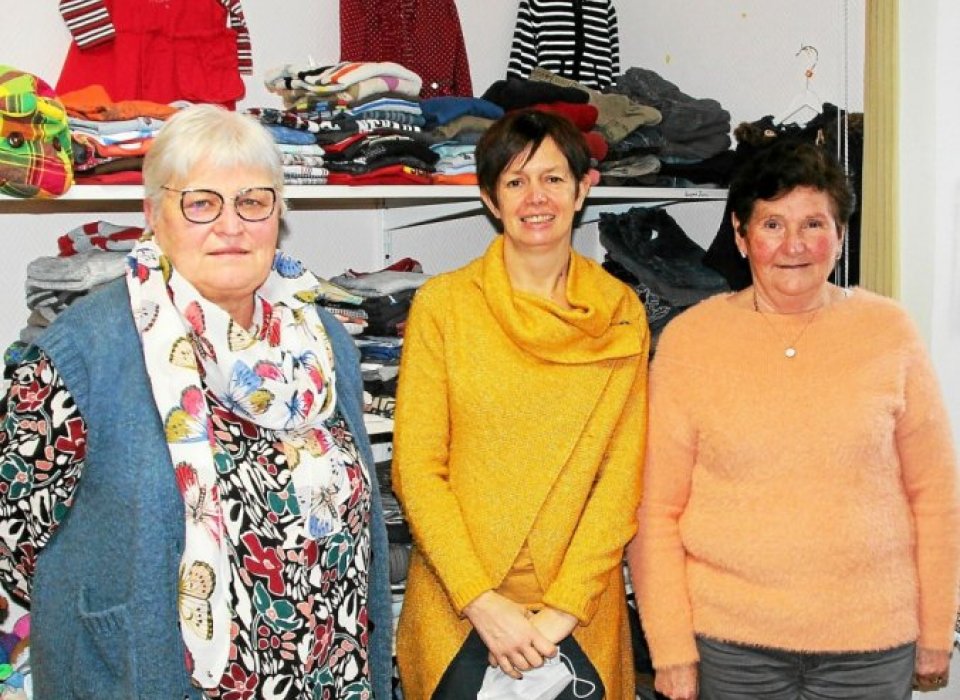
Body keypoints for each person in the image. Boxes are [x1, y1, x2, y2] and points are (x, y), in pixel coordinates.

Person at [0, 104, 393, 699]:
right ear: (154, 215)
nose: (230, 225)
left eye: (253, 201)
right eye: (201, 202)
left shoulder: (324, 341)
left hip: (329, 677)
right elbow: (13, 538)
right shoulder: (80, 352)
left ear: (278, 213)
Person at [628, 139, 960, 700]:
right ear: (740, 234)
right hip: (731, 648)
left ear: (841, 235)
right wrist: (671, 649)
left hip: (871, 647)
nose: (794, 246)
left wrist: (936, 630)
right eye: (773, 225)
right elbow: (657, 510)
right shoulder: (691, 342)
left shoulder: (888, 331)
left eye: (813, 224)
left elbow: (935, 495)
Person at [391, 109, 650, 699]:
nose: (536, 197)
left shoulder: (619, 311)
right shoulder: (445, 306)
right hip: (463, 608)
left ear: (584, 189)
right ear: (489, 198)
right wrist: (482, 602)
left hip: (575, 611)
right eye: (515, 181)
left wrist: (561, 611)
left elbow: (621, 478)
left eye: (554, 179)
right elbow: (417, 468)